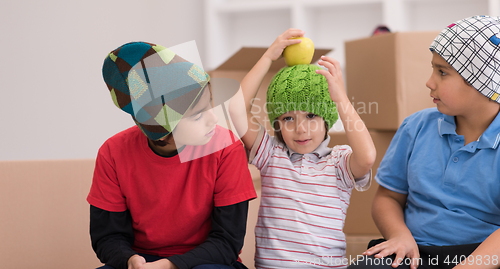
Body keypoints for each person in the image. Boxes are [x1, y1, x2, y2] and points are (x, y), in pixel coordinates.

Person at [87, 41, 257, 269]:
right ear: (161, 133)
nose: (214, 119)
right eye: (198, 116)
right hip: (142, 263)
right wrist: (131, 261)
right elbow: (107, 237)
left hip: (208, 262)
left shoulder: (227, 149)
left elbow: (228, 242)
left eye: (210, 105)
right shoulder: (113, 152)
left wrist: (167, 266)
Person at [349, 15, 500, 269]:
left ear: (482, 82)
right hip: (413, 250)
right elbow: (387, 198)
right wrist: (400, 236)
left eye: (442, 72)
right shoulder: (416, 126)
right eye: (433, 69)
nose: (429, 82)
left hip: (482, 258)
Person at [229, 28, 377, 268]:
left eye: (311, 115)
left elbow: (368, 157)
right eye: (288, 118)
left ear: (327, 119)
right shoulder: (271, 154)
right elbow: (237, 109)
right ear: (277, 123)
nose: (300, 129)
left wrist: (340, 99)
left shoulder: (338, 162)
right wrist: (268, 57)